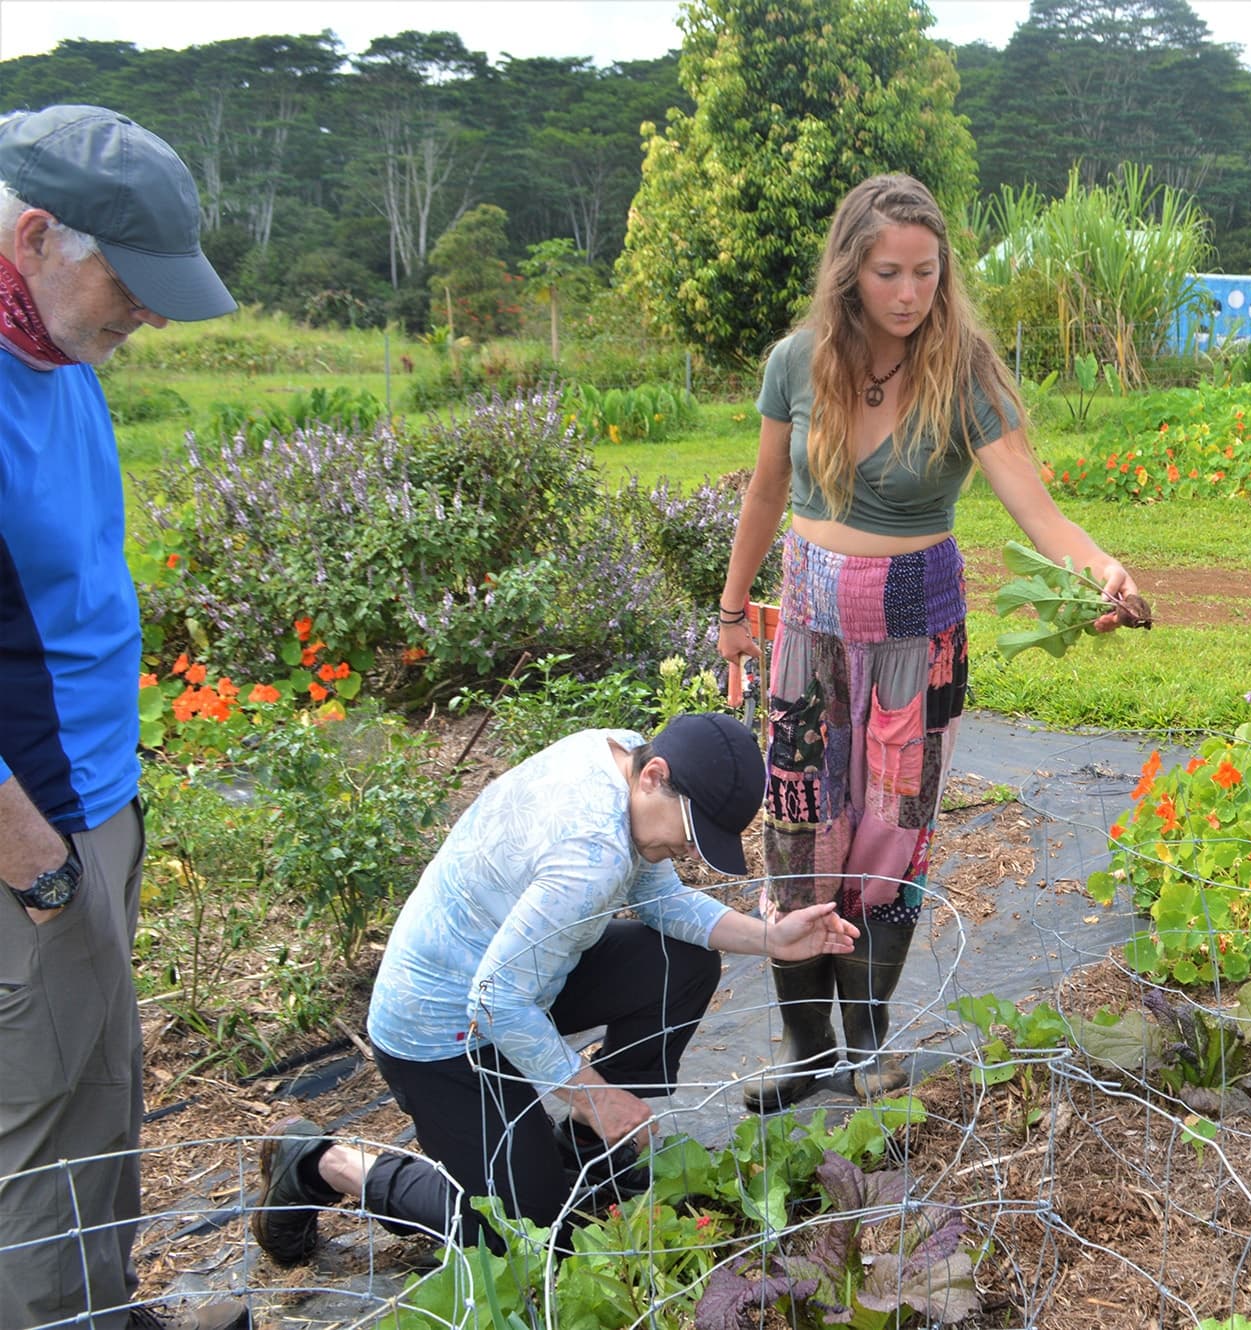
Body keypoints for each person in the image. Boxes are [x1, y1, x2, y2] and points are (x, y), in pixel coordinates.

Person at [718, 173, 1148, 1112]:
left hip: (920, 632)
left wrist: (1101, 571)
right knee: (798, 831)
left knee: (893, 837)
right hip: (806, 626)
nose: (909, 293)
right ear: (850, 273)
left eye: (925, 272)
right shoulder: (797, 362)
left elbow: (1037, 510)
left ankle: (868, 1043)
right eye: (887, 273)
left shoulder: (966, 377)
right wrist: (730, 609)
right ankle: (804, 1048)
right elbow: (761, 495)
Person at [249, 714, 860, 1261]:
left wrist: (770, 939)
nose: (687, 849)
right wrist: (595, 1095)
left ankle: (584, 1154)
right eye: (689, 830)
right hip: (441, 1028)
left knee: (685, 962)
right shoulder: (589, 854)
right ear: (654, 774)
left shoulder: (614, 753)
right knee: (521, 1234)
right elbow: (494, 1003)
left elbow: (663, 901)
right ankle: (320, 1164)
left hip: (518, 976)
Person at [0, 106, 241, 1330]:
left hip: (97, 798)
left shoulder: (55, 346)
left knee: (104, 1087)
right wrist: (35, 862)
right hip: (25, 830)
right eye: (129, 287)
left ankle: (101, 1309)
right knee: (34, 1118)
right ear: (38, 233)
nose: (142, 316)